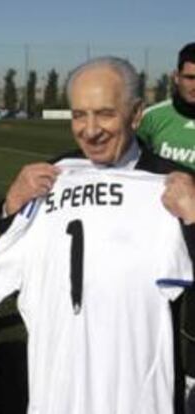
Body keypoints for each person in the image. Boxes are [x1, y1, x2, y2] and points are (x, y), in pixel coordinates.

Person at [0, 57, 195, 414]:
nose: (90, 130)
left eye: (105, 113)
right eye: (78, 115)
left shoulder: (172, 184)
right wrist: (11, 203)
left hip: (137, 391)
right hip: (61, 388)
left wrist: (194, 217)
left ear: (136, 114)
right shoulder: (56, 173)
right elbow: (14, 234)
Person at [138, 42, 195, 412]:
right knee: (155, 323)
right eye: (190, 77)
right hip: (155, 242)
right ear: (176, 77)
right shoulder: (154, 118)